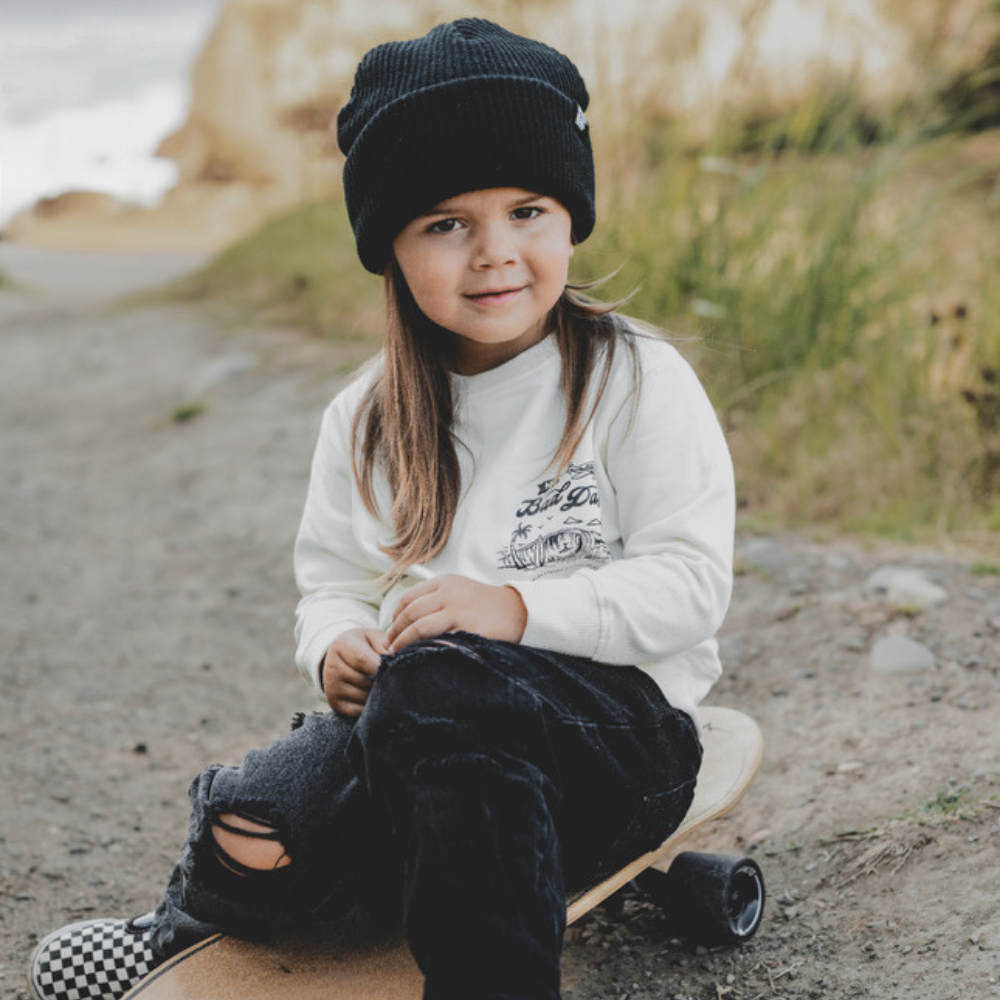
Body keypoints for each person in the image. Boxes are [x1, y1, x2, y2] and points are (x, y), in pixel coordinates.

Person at [28, 17, 735, 1000]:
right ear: (391, 245)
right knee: (253, 821)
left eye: (527, 209)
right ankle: (179, 935)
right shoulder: (365, 416)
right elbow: (333, 583)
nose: (495, 252)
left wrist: (517, 610)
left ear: (571, 216)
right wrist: (338, 647)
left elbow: (691, 587)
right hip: (421, 732)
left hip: (616, 745)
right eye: (447, 223)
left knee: (447, 685)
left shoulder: (632, 381)